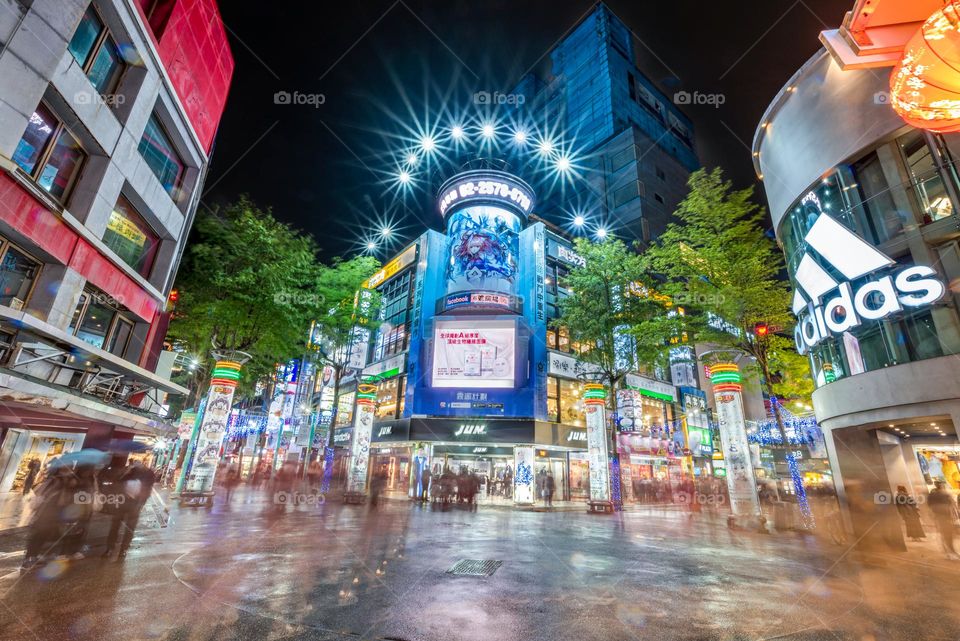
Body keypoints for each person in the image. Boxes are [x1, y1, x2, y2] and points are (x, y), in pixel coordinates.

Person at [21, 466, 74, 571]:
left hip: (49, 515)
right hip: (46, 515)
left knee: (41, 537)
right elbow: (60, 501)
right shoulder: (55, 482)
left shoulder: (58, 482)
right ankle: (29, 560)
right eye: (66, 469)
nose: (69, 471)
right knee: (38, 537)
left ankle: (32, 557)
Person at [104, 460, 156, 560]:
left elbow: (148, 489)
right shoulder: (128, 472)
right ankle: (110, 548)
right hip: (121, 502)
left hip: (135, 504)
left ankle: (122, 549)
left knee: (128, 528)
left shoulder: (148, 474)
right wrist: (125, 472)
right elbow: (116, 482)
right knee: (116, 526)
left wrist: (141, 501)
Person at [928, 481, 957, 558]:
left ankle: (948, 550)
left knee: (944, 533)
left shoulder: (933, 495)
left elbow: (930, 507)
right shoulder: (944, 494)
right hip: (944, 517)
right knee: (947, 534)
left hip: (940, 517)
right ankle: (950, 550)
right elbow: (952, 504)